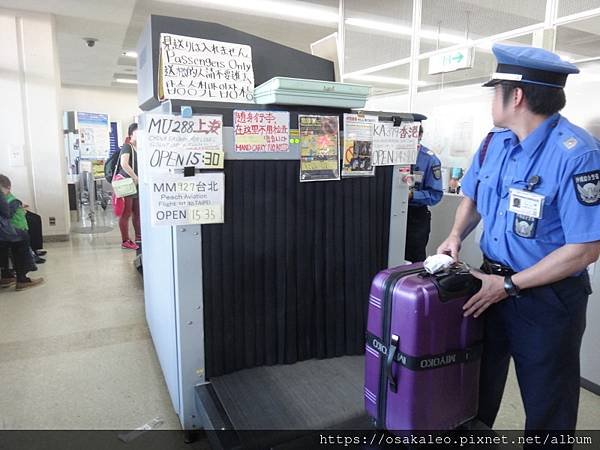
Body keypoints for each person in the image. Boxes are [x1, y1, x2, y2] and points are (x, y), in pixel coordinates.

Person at [437, 44, 600, 439]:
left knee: (548, 402)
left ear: (517, 96)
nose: (492, 99)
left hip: (547, 299)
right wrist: (455, 235)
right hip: (487, 284)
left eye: (496, 90)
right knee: (475, 388)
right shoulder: (495, 142)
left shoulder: (578, 155)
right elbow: (473, 197)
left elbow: (586, 248)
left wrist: (508, 286)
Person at [404, 125, 443, 262]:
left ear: (420, 135)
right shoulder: (391, 154)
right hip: (390, 214)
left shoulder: (429, 159)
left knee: (414, 260)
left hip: (415, 216)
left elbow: (436, 195)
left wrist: (412, 196)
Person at [0, 186, 44, 291]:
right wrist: (18, 205)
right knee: (21, 238)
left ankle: (6, 276)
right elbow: (6, 213)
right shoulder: (10, 199)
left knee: (5, 244)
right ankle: (22, 279)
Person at [117, 123, 141, 250]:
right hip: (127, 183)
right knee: (126, 213)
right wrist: (135, 177)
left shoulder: (140, 148)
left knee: (137, 212)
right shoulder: (127, 147)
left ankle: (139, 237)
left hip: (137, 185)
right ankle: (125, 240)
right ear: (131, 134)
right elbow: (124, 164)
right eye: (138, 132)